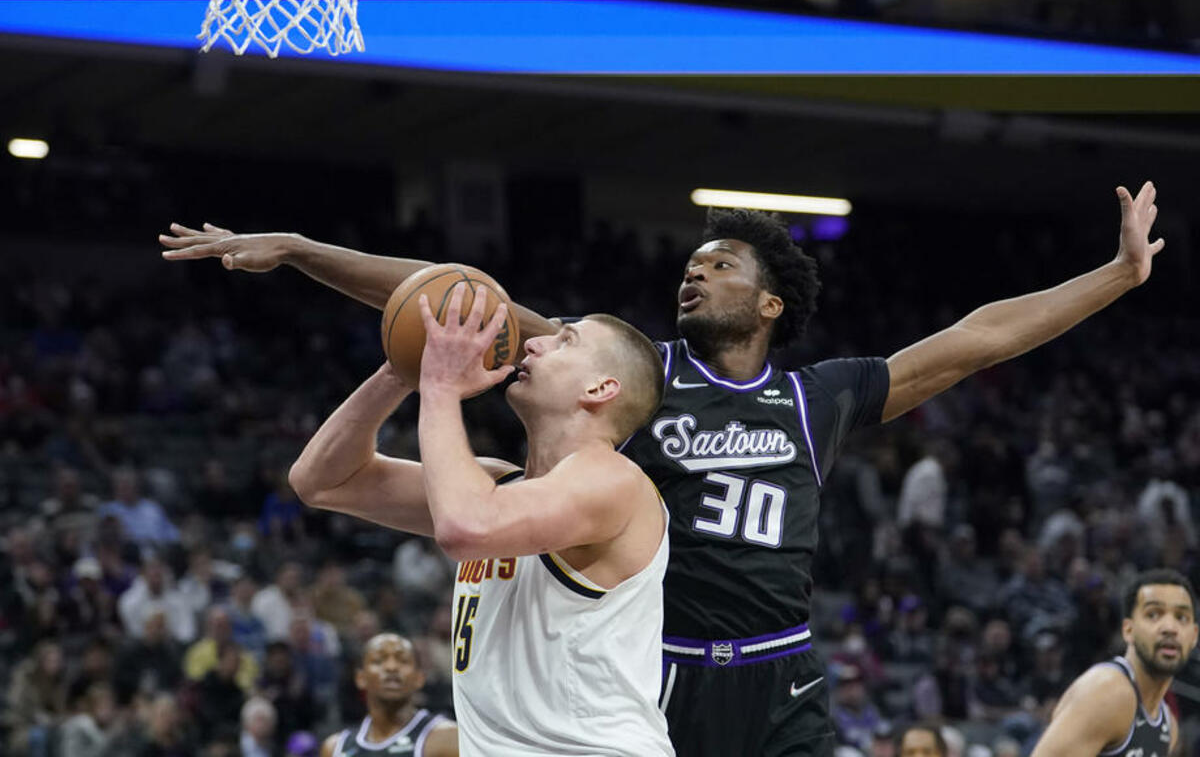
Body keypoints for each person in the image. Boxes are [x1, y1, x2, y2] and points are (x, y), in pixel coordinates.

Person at [162, 180, 1165, 755]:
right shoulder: (627, 376)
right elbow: (455, 304)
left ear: (771, 302)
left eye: (722, 263)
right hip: (658, 676)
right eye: (691, 261)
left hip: (779, 671)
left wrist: (1117, 276)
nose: (697, 269)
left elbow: (976, 339)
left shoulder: (815, 397)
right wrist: (302, 251)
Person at [288, 286, 672, 755]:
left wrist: (440, 388)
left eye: (565, 341)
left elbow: (464, 528)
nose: (534, 342)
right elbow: (322, 481)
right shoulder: (496, 488)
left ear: (600, 388)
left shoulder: (613, 480)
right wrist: (401, 370)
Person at [1030, 568, 1197, 757]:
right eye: (1153, 614)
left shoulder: (1169, 727)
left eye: (1181, 617)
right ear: (1128, 630)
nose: (1170, 628)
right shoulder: (1107, 691)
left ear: (1194, 636)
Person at [321, 633, 456, 757]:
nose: (391, 667)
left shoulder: (447, 737)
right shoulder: (335, 748)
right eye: (378, 660)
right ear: (360, 678)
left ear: (419, 678)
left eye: (403, 660)